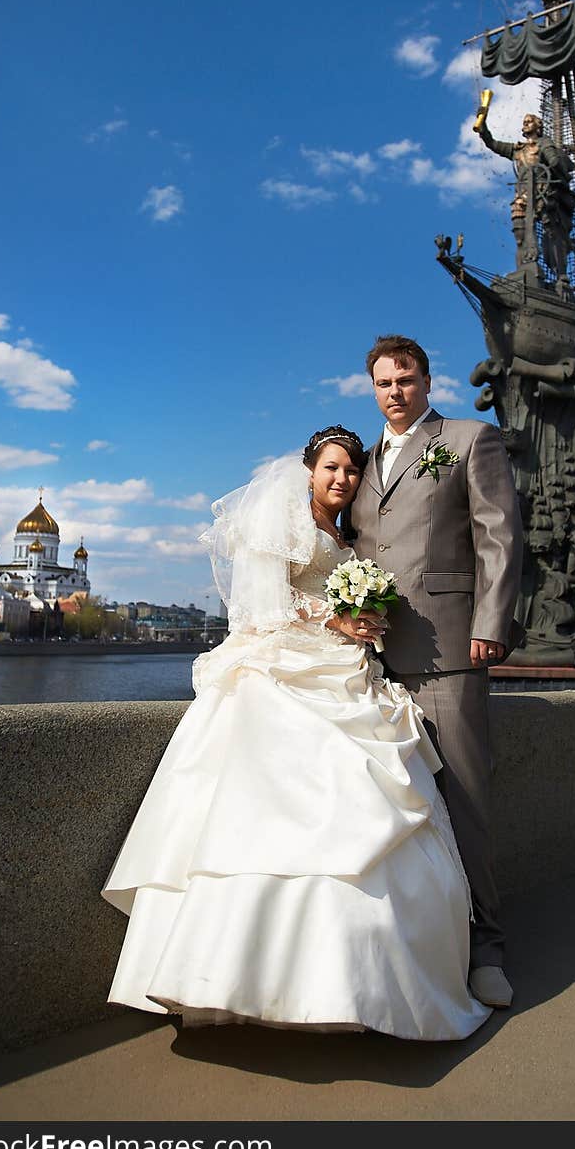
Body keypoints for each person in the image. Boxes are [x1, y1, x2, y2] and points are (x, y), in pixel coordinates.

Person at [102, 426, 491, 1040]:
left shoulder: (346, 535)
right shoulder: (280, 526)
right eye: (331, 468)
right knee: (261, 815)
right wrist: (334, 613)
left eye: (352, 471)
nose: (342, 480)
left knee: (364, 797)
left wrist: (359, 619)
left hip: (343, 669)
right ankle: (225, 977)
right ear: (307, 471)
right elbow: (260, 607)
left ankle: (354, 983)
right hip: (283, 669)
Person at [346, 337, 523, 1009]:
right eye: (384, 382)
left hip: (450, 651)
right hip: (371, 659)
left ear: (426, 379)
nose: (396, 391)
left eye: (407, 379)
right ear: (373, 388)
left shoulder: (469, 437)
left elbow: (499, 534)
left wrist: (490, 623)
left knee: (466, 800)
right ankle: (416, 943)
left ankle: (489, 947)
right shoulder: (361, 463)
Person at [475, 110, 575, 278]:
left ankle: (561, 275)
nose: (526, 123)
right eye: (524, 121)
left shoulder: (544, 144)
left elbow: (555, 163)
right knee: (520, 235)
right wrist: (483, 124)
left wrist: (553, 171)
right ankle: (525, 270)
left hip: (543, 193)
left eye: (530, 121)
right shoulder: (518, 150)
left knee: (551, 231)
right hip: (522, 196)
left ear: (538, 126)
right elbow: (492, 143)